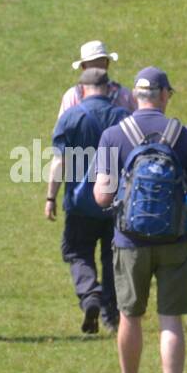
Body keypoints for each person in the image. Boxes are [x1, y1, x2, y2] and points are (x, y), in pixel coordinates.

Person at [93, 67, 187, 373]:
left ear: (135, 96)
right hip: (177, 239)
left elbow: (102, 196)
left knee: (130, 315)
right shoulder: (185, 136)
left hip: (129, 240)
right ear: (164, 95)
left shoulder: (114, 135)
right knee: (170, 319)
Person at [47, 67, 132, 334]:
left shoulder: (71, 117)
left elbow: (59, 162)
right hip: (115, 202)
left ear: (81, 90)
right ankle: (111, 316)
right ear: (108, 88)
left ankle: (89, 295)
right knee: (113, 257)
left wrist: (50, 196)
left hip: (80, 201)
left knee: (78, 252)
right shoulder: (124, 117)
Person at [58, 40, 136, 117]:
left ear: (83, 67)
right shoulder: (124, 95)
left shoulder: (72, 96)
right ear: (107, 64)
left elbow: (63, 127)